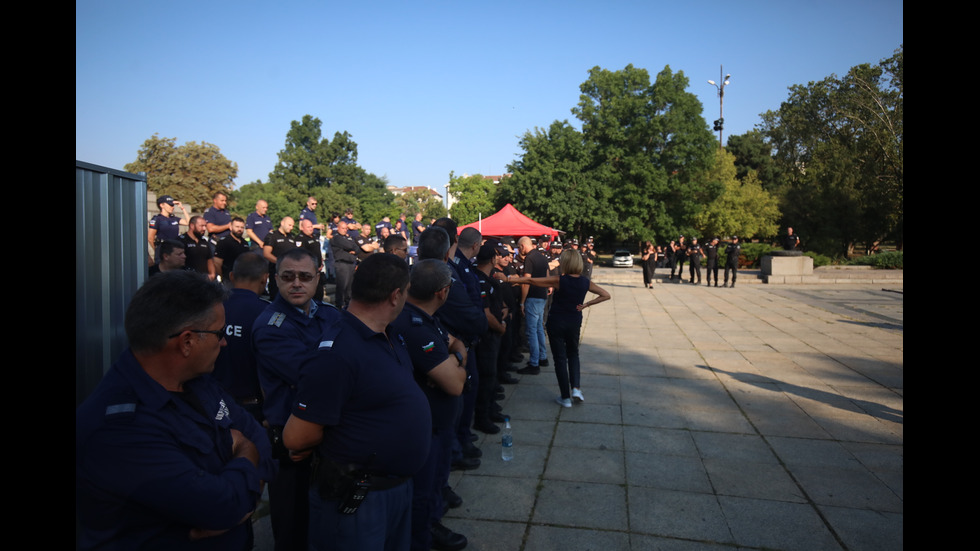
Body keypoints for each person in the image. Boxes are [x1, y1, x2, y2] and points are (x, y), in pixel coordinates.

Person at [76, 271, 276, 551]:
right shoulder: (118, 431)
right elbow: (222, 506)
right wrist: (246, 451)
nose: (224, 342)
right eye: (219, 333)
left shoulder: (198, 381)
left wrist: (245, 497)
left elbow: (259, 439)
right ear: (186, 342)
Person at [282, 254, 429, 551]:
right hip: (358, 497)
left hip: (393, 488)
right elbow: (297, 436)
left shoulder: (386, 334)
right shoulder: (337, 352)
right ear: (396, 295)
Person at [253, 248, 342, 551]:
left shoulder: (330, 314)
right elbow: (312, 376)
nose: (296, 284)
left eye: (305, 277)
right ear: (275, 279)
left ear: (319, 276)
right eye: (288, 277)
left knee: (324, 523)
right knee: (292, 527)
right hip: (290, 443)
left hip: (326, 436)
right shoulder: (270, 326)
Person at [390, 259, 469, 551]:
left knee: (434, 486)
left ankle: (432, 524)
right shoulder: (414, 325)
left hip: (439, 424)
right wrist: (457, 359)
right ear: (443, 292)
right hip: (426, 429)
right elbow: (455, 384)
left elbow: (456, 343)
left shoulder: (424, 318)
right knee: (422, 495)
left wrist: (455, 357)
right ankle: (422, 538)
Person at [508, 250, 610, 407]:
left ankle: (565, 397)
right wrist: (587, 304)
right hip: (574, 321)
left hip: (557, 322)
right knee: (573, 354)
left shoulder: (560, 280)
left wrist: (510, 279)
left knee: (560, 359)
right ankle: (576, 388)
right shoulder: (585, 282)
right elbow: (605, 294)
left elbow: (534, 281)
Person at [212, 252, 269, 423]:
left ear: (231, 276)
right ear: (265, 279)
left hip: (212, 401)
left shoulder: (210, 308)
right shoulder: (267, 313)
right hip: (252, 408)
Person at [516, 236, 549, 375]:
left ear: (523, 246)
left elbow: (526, 281)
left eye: (519, 247)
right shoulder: (541, 256)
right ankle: (543, 357)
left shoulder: (529, 258)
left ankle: (534, 363)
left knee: (532, 331)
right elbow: (547, 275)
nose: (519, 250)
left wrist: (522, 302)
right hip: (542, 296)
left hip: (533, 297)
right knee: (539, 328)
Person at [148, 194, 190, 263]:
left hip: (174, 249)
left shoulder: (174, 218)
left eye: (173, 205)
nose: (172, 207)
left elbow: (188, 222)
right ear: (162, 205)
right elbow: (150, 238)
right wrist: (157, 250)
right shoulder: (157, 219)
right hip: (163, 248)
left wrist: (182, 208)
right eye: (170, 205)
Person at [263, 217, 297, 300]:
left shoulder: (291, 237)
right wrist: (281, 262)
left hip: (291, 274)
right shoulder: (272, 236)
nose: (291, 228)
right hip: (277, 273)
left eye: (292, 226)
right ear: (282, 223)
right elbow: (266, 254)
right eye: (289, 225)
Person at [295, 218, 326, 302]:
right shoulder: (300, 238)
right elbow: (301, 256)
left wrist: (321, 262)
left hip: (318, 270)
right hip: (308, 272)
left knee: (319, 293)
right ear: (302, 228)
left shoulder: (315, 237)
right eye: (308, 227)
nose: (311, 228)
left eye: (311, 226)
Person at [330, 220, 359, 309]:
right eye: (343, 228)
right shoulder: (336, 238)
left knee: (349, 288)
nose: (345, 230)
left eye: (346, 228)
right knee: (342, 287)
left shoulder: (348, 237)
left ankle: (348, 305)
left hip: (350, 264)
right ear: (338, 228)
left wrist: (352, 249)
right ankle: (339, 306)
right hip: (342, 264)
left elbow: (357, 248)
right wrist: (350, 248)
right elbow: (349, 246)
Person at [214, 217, 250, 285]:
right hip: (228, 280)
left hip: (243, 279)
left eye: (242, 227)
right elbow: (217, 263)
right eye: (237, 227)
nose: (239, 229)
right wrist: (222, 278)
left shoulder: (245, 243)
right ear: (231, 227)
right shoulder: (224, 242)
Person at [179, 216, 216, 280]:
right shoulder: (181, 241)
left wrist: (212, 275)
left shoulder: (205, 242)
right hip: (186, 278)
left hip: (203, 279)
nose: (204, 229)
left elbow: (209, 259)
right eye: (201, 226)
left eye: (205, 226)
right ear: (192, 226)